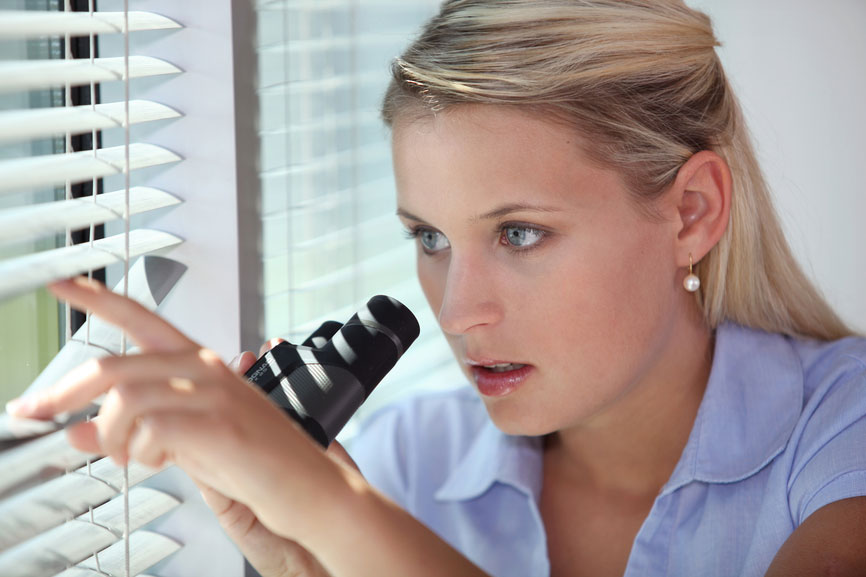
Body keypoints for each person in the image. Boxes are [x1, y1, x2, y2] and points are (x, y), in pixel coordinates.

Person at [6, 0, 866, 576]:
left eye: (519, 233)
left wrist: (328, 505)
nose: (456, 313)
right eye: (429, 238)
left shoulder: (842, 432)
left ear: (691, 210)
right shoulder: (407, 460)